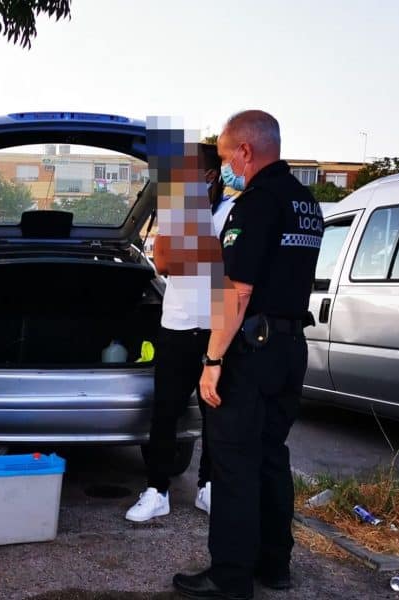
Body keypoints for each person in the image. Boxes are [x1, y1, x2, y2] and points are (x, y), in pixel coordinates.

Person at [172, 110, 322, 600]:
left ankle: (230, 576)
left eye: (224, 157)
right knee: (272, 457)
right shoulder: (306, 204)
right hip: (289, 349)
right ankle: (275, 564)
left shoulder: (255, 204)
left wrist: (212, 362)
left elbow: (237, 292)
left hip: (251, 352)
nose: (225, 168)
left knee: (235, 461)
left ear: (246, 151)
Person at [125, 144, 236, 522]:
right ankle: (157, 491)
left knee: (215, 416)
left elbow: (228, 264)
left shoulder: (230, 212)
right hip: (176, 326)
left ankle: (209, 487)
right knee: (165, 415)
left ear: (208, 176)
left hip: (216, 329)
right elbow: (164, 262)